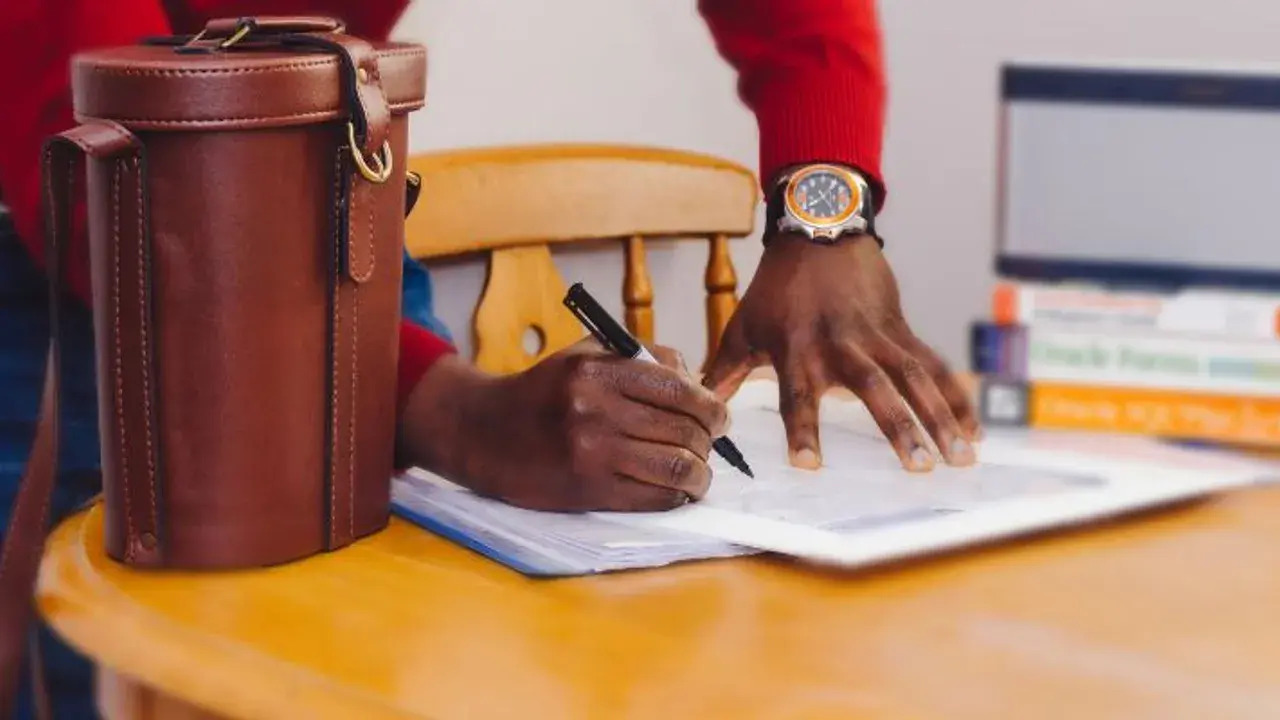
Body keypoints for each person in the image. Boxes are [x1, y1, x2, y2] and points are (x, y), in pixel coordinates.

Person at [0, 0, 980, 716]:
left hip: (328, 187)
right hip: (76, 228)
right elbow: (88, 140)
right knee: (113, 664)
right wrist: (456, 412)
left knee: (359, 657)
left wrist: (824, 214)